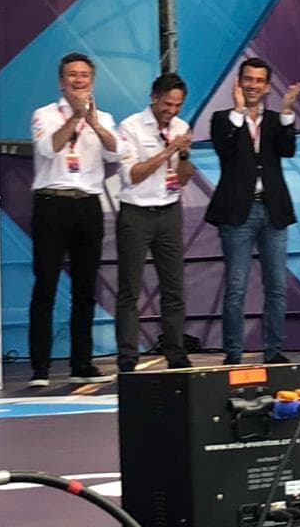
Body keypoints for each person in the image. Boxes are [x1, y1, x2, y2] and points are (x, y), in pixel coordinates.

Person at [28, 52, 119, 386]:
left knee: (85, 287)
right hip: (53, 202)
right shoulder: (45, 114)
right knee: (46, 285)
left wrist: (92, 122)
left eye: (84, 76)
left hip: (88, 204)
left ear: (91, 81)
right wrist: (75, 119)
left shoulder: (105, 117)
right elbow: (48, 149)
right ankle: (40, 367)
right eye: (72, 75)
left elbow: (115, 152)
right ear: (61, 81)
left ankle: (82, 362)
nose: (78, 81)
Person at [205, 58, 300, 366]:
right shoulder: (223, 118)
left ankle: (273, 352)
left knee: (276, 287)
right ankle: (233, 354)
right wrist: (237, 112)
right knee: (236, 287)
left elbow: (287, 150)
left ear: (266, 86)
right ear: (239, 82)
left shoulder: (275, 120)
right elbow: (225, 149)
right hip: (238, 214)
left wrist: (287, 111)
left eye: (259, 81)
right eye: (248, 79)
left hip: (273, 211)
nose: (253, 85)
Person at [114, 73, 195, 372]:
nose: (171, 110)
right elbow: (133, 174)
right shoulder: (130, 126)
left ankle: (176, 353)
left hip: (169, 211)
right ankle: (127, 357)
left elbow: (184, 179)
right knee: (130, 289)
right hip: (136, 212)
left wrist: (184, 155)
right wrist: (169, 151)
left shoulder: (181, 128)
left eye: (177, 105)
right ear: (154, 97)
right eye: (167, 104)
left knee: (174, 287)